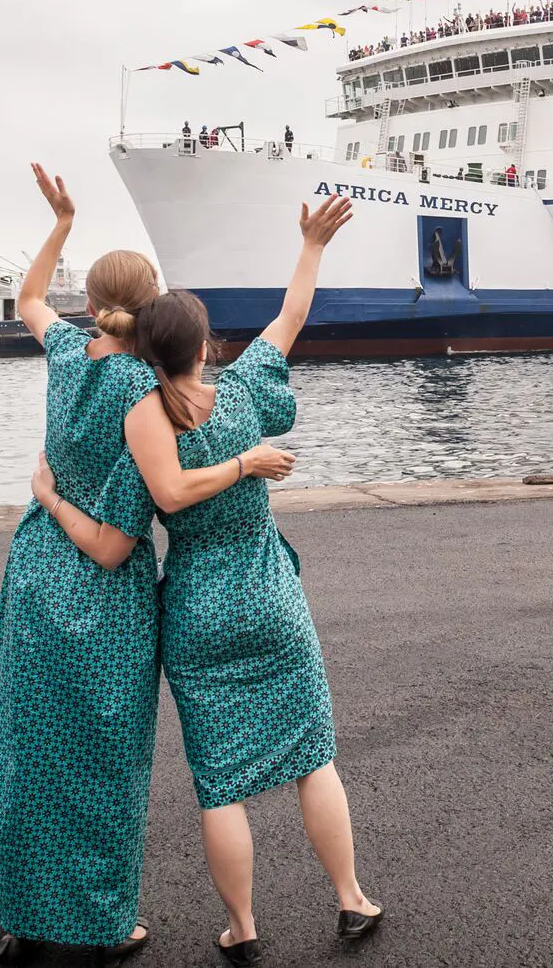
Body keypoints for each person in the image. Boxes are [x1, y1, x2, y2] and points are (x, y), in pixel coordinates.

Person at [124, 196, 381, 964]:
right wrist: (310, 245)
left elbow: (166, 497)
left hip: (197, 605)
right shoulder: (238, 396)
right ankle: (351, 899)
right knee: (312, 758)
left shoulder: (147, 413)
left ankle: (242, 926)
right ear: (203, 347)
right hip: (267, 591)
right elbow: (291, 314)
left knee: (221, 783)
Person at [0, 164, 179, 963]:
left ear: (92, 305)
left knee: (25, 743)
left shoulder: (63, 353)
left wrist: (60, 222)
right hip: (104, 592)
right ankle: (101, 920)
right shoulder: (143, 394)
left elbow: (27, 300)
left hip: (35, 573)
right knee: (103, 759)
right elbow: (117, 543)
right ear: (150, 309)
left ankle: (21, 911)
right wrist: (60, 500)